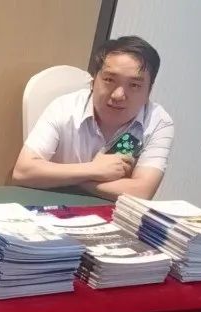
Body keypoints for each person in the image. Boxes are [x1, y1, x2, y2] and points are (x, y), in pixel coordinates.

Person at [11, 36, 174, 201]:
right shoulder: (64, 107)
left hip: (111, 213)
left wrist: (73, 180)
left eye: (134, 85)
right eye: (109, 80)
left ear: (149, 91)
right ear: (93, 81)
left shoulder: (158, 122)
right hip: (51, 205)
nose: (118, 95)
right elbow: (23, 171)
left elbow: (141, 192)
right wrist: (94, 169)